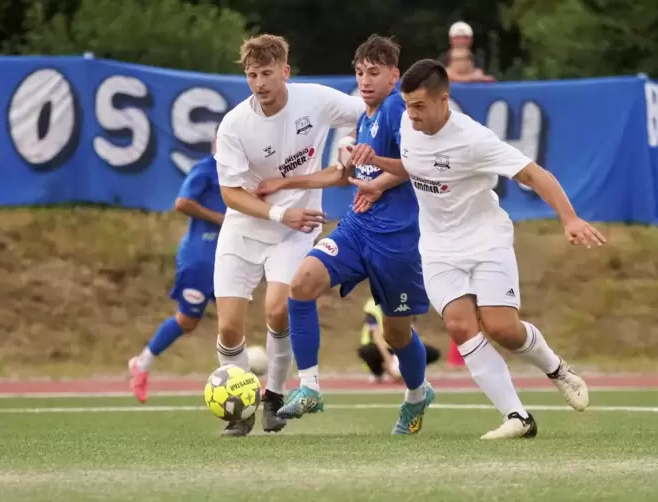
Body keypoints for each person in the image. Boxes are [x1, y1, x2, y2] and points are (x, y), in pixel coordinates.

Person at [348, 59, 606, 439]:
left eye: (420, 106)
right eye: (408, 105)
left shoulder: (473, 139)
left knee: (502, 328)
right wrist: (378, 175)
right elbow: (414, 165)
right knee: (458, 324)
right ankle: (518, 417)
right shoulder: (407, 122)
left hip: (486, 240)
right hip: (437, 247)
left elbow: (535, 174)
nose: (411, 115)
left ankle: (556, 369)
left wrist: (569, 219)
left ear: (443, 100)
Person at [256, 35, 435, 435]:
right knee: (301, 283)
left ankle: (417, 394)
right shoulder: (365, 117)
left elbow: (416, 165)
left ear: (394, 75)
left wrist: (377, 186)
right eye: (360, 73)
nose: (365, 80)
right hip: (357, 228)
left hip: (397, 238)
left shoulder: (396, 111)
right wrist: (285, 184)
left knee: (395, 332)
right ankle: (310, 387)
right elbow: (347, 175)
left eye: (374, 72)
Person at [212, 34, 364, 437]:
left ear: (285, 72)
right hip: (244, 230)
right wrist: (281, 211)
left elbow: (363, 112)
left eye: (266, 73)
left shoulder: (314, 99)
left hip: (296, 230)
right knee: (229, 328)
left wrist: (347, 145)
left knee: (278, 309)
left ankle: (273, 396)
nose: (259, 83)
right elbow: (231, 193)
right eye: (251, 75)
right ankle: (240, 404)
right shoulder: (234, 124)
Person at [128, 139, 224, 403]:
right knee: (188, 319)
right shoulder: (206, 169)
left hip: (226, 256)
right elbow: (182, 202)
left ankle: (241, 378)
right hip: (199, 257)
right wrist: (220, 219)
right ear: (217, 142)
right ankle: (142, 363)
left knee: (231, 318)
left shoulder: (241, 171)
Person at [358, 298, 441, 383]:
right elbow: (376, 334)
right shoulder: (373, 305)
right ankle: (379, 372)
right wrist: (388, 360)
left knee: (430, 352)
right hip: (382, 347)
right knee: (367, 351)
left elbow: (411, 331)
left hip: (401, 345)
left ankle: (410, 373)